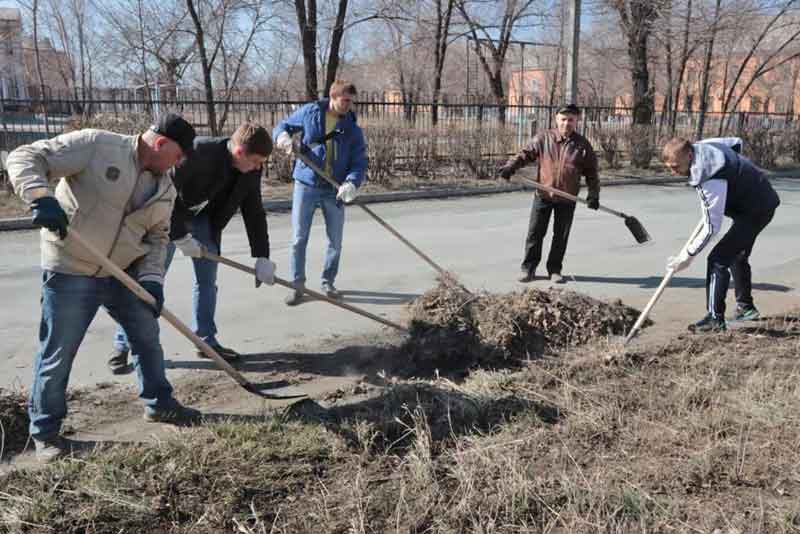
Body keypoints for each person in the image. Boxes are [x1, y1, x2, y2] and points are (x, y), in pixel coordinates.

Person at [7, 113, 202, 462]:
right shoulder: (97, 146)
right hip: (71, 268)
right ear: (160, 144)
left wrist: (152, 281)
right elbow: (24, 156)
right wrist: (39, 195)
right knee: (58, 352)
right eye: (178, 155)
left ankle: (159, 404)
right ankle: (46, 433)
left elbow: (158, 239)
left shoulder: (165, 189)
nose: (180, 162)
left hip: (123, 273)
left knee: (146, 336)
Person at [107, 122, 276, 372]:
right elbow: (165, 193)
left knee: (207, 281)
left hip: (206, 220)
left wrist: (262, 256)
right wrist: (179, 236)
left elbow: (254, 211)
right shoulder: (197, 153)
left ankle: (205, 340)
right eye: (256, 161)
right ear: (240, 152)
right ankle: (123, 344)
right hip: (169, 216)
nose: (258, 167)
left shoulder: (251, 169)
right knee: (149, 279)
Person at [661, 136, 780, 332]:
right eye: (669, 167)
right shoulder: (704, 145)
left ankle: (715, 319)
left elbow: (711, 227)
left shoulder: (709, 176)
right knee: (736, 255)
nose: (673, 171)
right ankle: (746, 308)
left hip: (755, 210)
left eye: (675, 166)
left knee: (718, 259)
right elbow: (737, 143)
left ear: (690, 155)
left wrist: (687, 257)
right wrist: (736, 176)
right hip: (760, 199)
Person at [273, 79, 367, 304]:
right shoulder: (311, 112)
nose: (348, 106)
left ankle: (328, 281)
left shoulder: (351, 128)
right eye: (345, 100)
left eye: (351, 102)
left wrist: (352, 183)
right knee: (298, 239)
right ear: (333, 96)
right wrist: (282, 137)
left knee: (335, 241)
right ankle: (297, 285)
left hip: (334, 190)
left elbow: (359, 161)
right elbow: (282, 126)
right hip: (306, 184)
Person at [497, 104, 600, 284]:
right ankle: (528, 268)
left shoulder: (582, 145)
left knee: (560, 236)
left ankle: (554, 270)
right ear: (556, 119)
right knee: (535, 233)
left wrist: (594, 195)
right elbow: (525, 154)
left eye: (571, 120)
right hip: (543, 194)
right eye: (563, 119)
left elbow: (592, 173)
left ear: (576, 121)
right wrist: (510, 167)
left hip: (568, 198)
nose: (566, 123)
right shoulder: (544, 138)